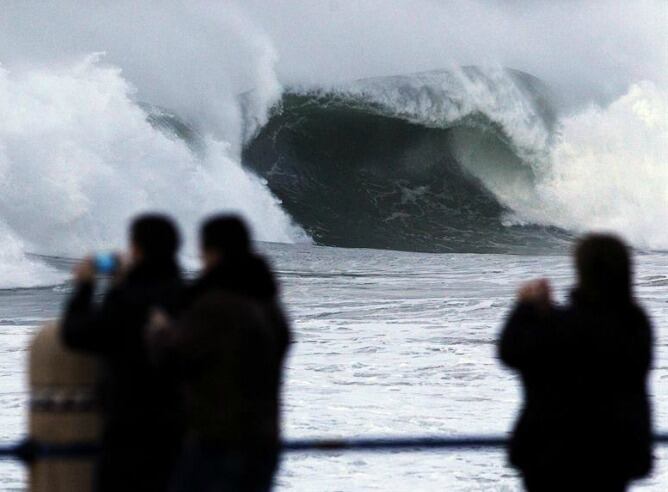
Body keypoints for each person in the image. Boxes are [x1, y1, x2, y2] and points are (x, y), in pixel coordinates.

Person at [498, 234, 653, 492]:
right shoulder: (635, 325)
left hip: (552, 455)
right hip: (613, 454)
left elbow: (511, 352)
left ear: (580, 269)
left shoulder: (558, 325)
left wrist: (525, 309)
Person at [150, 215, 291, 492]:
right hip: (264, 441)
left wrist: (160, 332)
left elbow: (171, 361)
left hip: (218, 442)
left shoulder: (216, 305)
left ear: (212, 252)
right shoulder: (269, 304)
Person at [61, 214, 185, 492]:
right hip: (180, 430)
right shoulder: (188, 296)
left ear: (137, 249)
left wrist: (85, 287)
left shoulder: (126, 300)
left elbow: (77, 335)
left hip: (128, 429)